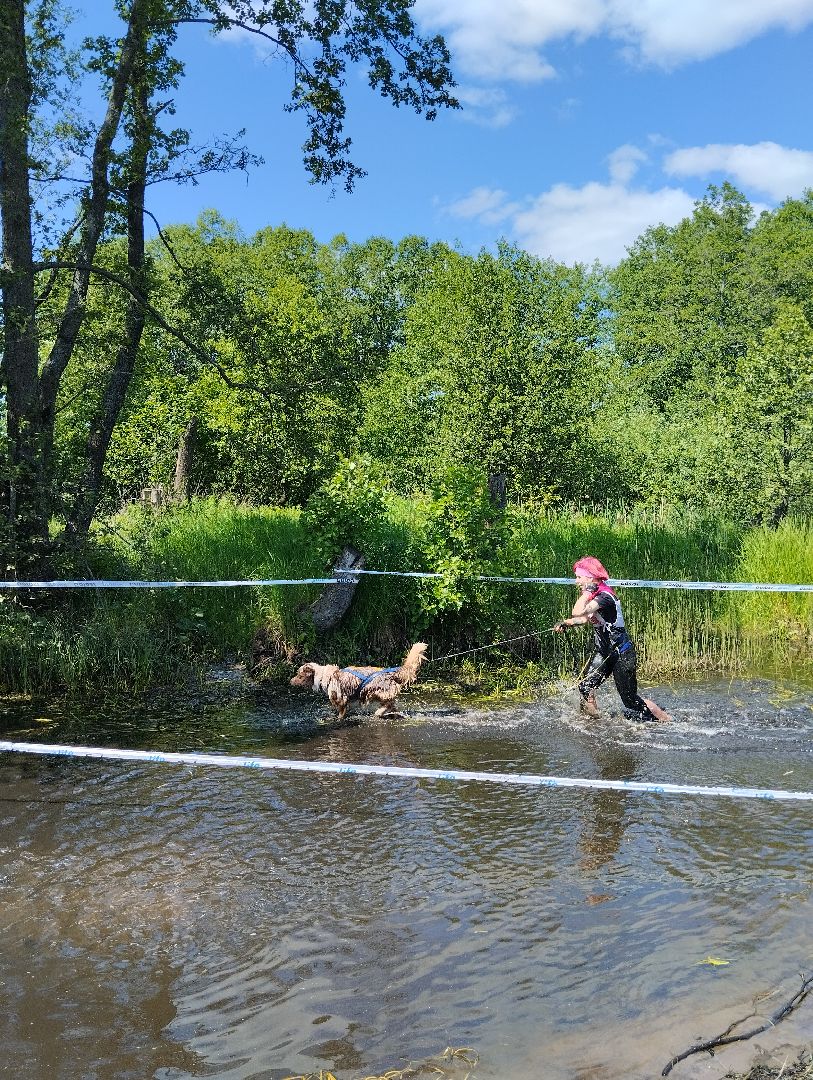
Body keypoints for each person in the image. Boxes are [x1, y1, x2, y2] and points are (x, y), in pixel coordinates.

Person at [553, 555, 671, 723]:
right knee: (586, 687)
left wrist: (587, 592)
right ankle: (595, 722)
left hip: (621, 654)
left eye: (579, 577)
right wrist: (567, 623)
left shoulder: (604, 597)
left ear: (591, 577)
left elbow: (578, 611)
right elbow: (583, 618)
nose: (576, 581)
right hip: (604, 653)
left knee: (630, 700)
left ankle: (666, 720)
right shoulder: (595, 595)